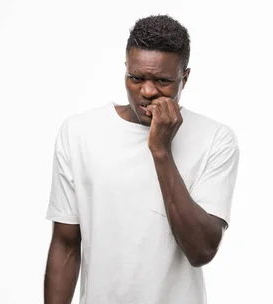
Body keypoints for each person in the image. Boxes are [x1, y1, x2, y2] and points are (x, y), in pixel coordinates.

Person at [43, 14, 240, 304]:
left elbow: (202, 251)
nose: (147, 92)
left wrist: (161, 151)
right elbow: (66, 244)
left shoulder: (216, 139)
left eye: (162, 81)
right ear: (125, 70)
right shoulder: (80, 132)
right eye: (136, 78)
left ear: (184, 78)